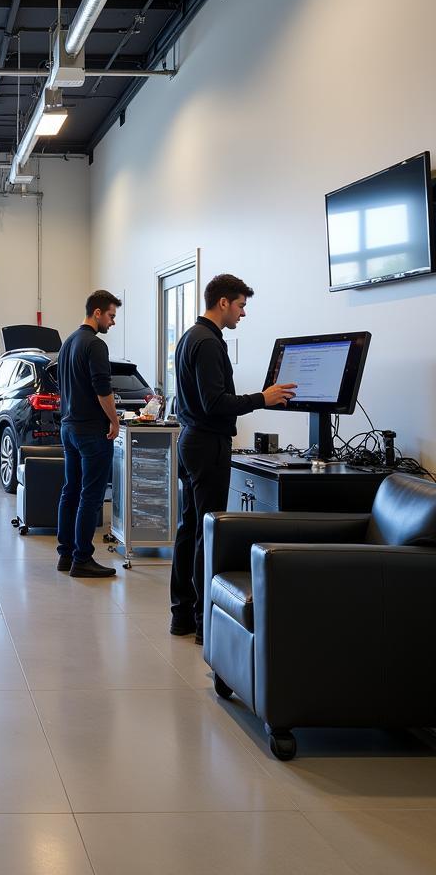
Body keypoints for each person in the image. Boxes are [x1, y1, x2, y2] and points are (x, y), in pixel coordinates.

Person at [170, 274, 296, 643]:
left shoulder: (190, 337)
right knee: (205, 532)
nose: (243, 313)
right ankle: (201, 622)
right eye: (240, 305)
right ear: (223, 302)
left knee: (189, 528)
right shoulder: (208, 343)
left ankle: (183, 615)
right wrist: (263, 398)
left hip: (192, 441)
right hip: (207, 444)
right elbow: (216, 403)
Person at [56, 290, 123, 578]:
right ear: (97, 313)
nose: (112, 322)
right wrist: (115, 420)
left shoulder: (68, 343)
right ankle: (82, 558)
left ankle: (66, 554)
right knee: (90, 496)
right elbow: (102, 388)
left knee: (70, 491)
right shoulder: (95, 345)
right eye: (111, 316)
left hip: (68, 428)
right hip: (91, 432)